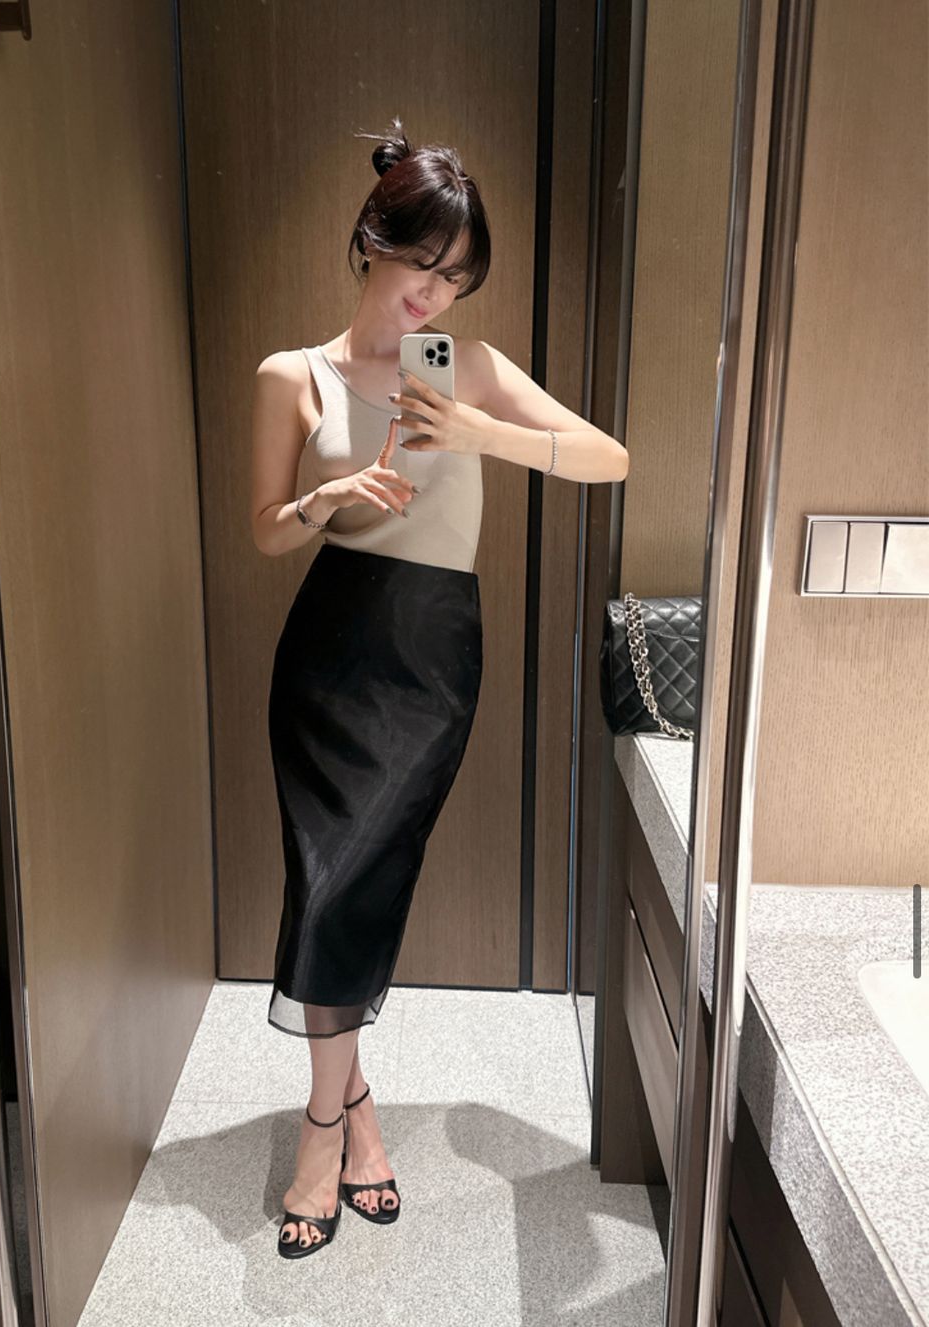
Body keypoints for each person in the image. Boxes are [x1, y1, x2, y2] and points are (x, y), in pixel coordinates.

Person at [250, 117, 629, 1259]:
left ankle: (337, 1115)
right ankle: (340, 1125)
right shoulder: (293, 376)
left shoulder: (465, 368)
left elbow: (609, 457)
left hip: (431, 659)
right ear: (373, 241)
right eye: (424, 263)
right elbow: (266, 533)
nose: (435, 293)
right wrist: (327, 498)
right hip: (329, 654)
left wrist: (477, 431)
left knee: (361, 882)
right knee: (324, 887)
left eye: (457, 277)